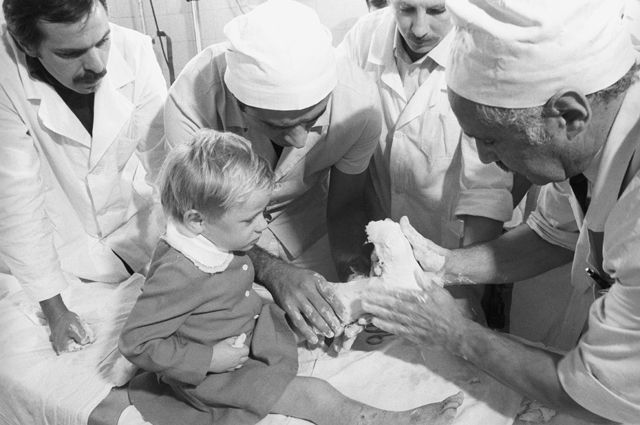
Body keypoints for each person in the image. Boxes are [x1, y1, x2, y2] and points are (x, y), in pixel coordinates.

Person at [362, 0, 640, 422]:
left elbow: (597, 386)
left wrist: (456, 334)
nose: (485, 158)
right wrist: (448, 264)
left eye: (491, 139)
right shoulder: (585, 146)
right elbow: (552, 235)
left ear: (569, 115)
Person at [119, 129, 464, 425]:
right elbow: (136, 342)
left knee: (318, 314)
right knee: (313, 394)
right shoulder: (178, 272)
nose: (262, 225)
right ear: (196, 220)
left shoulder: (217, 238)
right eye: (249, 220)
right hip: (218, 374)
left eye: (262, 213)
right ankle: (391, 420)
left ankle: (366, 298)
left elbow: (229, 295)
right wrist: (209, 359)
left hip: (250, 327)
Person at [164, 0, 382, 344]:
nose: (299, 140)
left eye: (313, 120)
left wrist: (355, 279)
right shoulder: (194, 98)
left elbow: (345, 207)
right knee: (230, 338)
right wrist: (271, 270)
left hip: (303, 226)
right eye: (277, 126)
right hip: (214, 236)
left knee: (316, 331)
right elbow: (196, 219)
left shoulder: (360, 105)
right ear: (239, 104)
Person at [0, 0, 167, 354]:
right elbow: (15, 200)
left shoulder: (134, 51)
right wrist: (56, 311)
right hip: (60, 248)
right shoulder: (5, 78)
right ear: (28, 44)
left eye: (102, 41)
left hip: (136, 228)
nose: (98, 66)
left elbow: (165, 162)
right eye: (70, 53)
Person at [338, 0, 512, 318]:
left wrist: (466, 294)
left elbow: (485, 193)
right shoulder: (364, 37)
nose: (418, 29)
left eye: (435, 10)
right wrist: (356, 269)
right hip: (375, 245)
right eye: (406, 9)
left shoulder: (485, 54)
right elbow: (340, 146)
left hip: (453, 248)